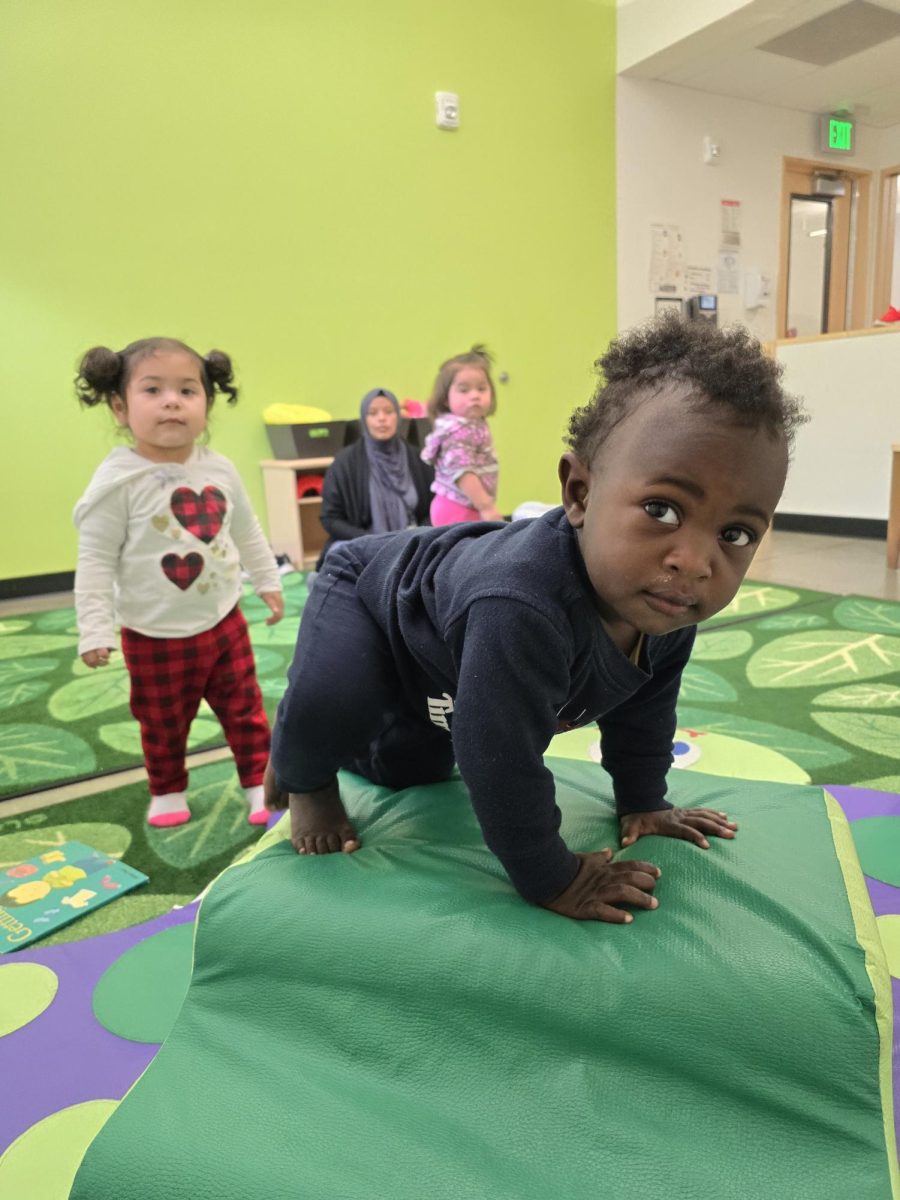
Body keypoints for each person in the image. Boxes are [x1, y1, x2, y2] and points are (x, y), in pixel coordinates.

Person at [265, 317, 804, 922]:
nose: (695, 562)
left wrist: (644, 800)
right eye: (662, 509)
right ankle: (300, 768)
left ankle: (360, 732)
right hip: (371, 593)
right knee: (336, 702)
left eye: (736, 533)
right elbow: (497, 756)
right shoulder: (522, 605)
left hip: (442, 651)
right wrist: (553, 876)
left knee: (408, 772)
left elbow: (646, 710)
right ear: (578, 493)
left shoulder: (665, 600)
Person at [73, 337, 284, 829]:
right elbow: (96, 560)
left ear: (207, 405)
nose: (172, 400)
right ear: (120, 406)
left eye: (188, 390)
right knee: (162, 721)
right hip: (152, 632)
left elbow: (246, 529)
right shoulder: (118, 482)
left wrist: (267, 580)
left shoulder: (219, 468)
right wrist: (95, 629)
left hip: (222, 619)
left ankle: (259, 782)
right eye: (153, 389)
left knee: (246, 708)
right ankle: (167, 789)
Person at [316, 388, 433, 567]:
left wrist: (416, 536)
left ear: (398, 417)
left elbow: (434, 508)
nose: (381, 418)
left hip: (412, 544)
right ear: (364, 419)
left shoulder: (418, 459)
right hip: (362, 545)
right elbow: (330, 518)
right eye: (373, 413)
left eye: (388, 411)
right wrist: (369, 540)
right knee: (339, 560)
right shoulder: (345, 462)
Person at [420, 345, 502, 524]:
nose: (475, 396)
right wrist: (486, 507)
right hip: (457, 508)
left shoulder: (473, 424)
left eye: (481, 389)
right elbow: (463, 472)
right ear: (445, 398)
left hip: (467, 505)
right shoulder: (457, 431)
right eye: (464, 390)